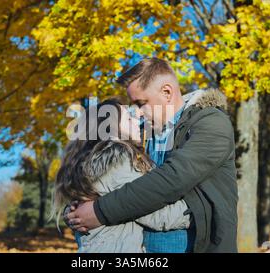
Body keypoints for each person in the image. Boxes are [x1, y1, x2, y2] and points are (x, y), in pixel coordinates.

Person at [66, 58, 238, 253]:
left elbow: (171, 178)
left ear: (167, 92)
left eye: (141, 103)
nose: (137, 113)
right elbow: (99, 167)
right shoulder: (140, 134)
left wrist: (99, 211)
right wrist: (76, 206)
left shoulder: (211, 123)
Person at [53, 98, 192, 253]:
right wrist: (199, 210)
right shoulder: (116, 160)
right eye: (128, 117)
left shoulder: (92, 165)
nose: (136, 119)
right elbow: (157, 214)